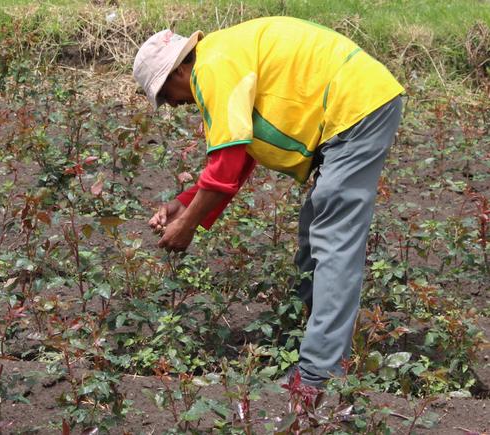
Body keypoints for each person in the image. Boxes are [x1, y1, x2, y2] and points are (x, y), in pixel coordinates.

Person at [133, 16, 404, 387]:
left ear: (180, 68)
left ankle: (316, 375)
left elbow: (227, 162)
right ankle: (302, 336)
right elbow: (240, 154)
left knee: (334, 241)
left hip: (356, 109)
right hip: (352, 105)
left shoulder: (213, 67)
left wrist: (188, 225)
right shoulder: (221, 56)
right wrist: (187, 203)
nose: (173, 105)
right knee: (315, 232)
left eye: (165, 94)